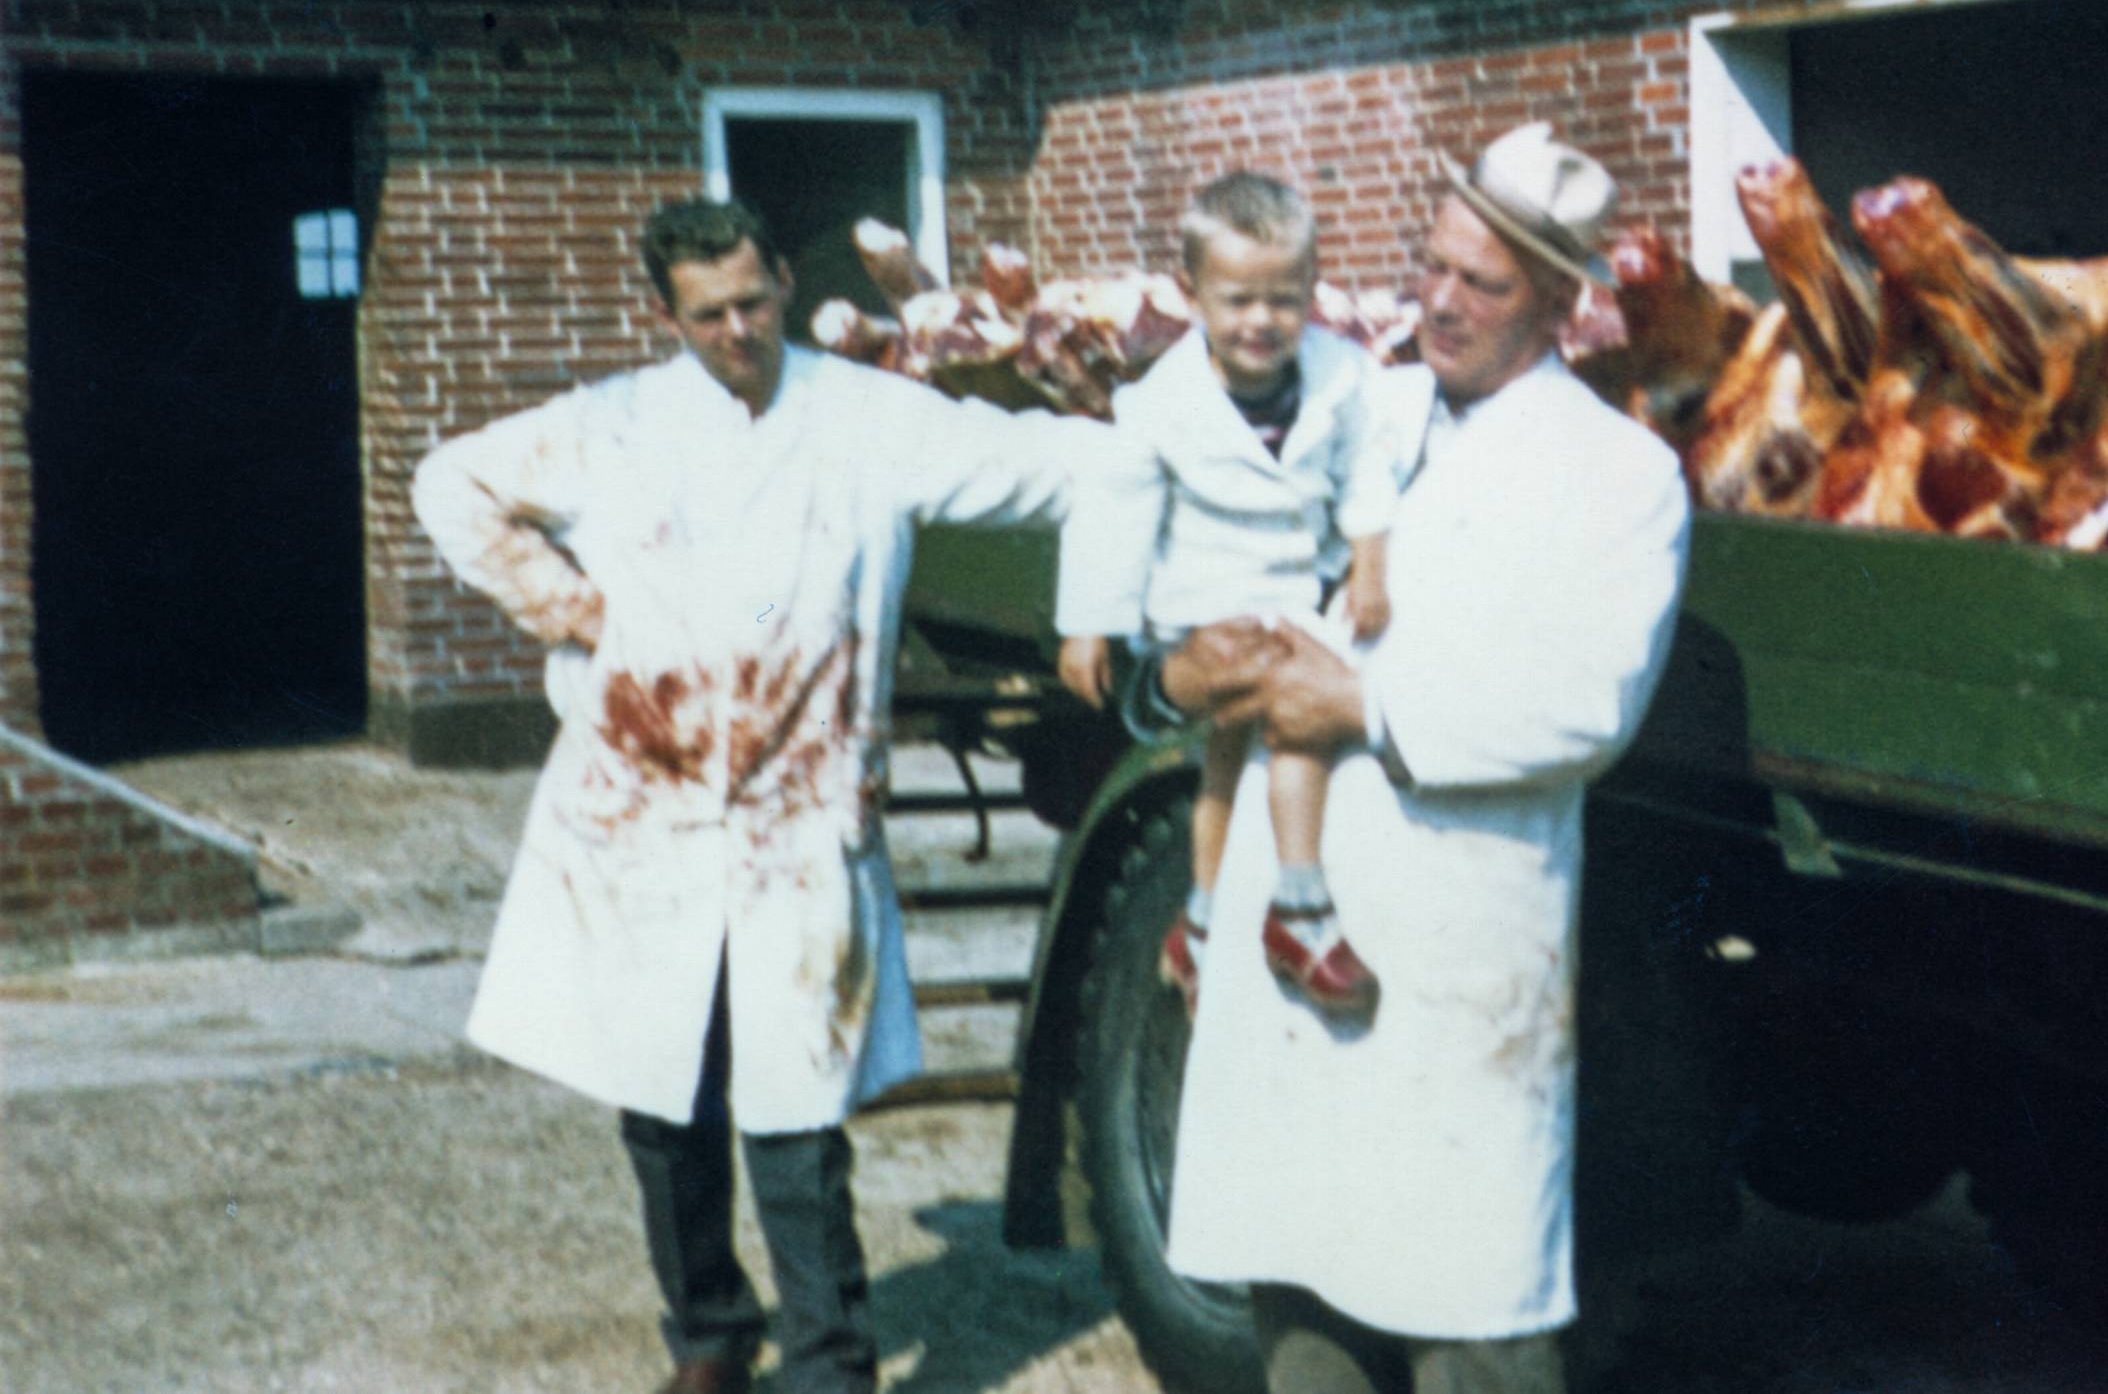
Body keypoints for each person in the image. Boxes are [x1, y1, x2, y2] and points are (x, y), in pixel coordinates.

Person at [412, 198, 1107, 1394]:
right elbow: (449, 483)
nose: (737, 330)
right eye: (707, 315)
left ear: (784, 280)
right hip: (642, 808)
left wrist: (1102, 577)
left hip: (801, 814)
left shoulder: (870, 417)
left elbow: (1060, 471)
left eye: (751, 301)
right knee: (661, 1094)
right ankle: (709, 1336)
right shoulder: (613, 425)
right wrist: (576, 611)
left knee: (798, 1102)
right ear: (666, 315)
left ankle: (830, 1362)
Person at [1150, 124, 1693, 1394]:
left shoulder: (1620, 474)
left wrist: (1364, 702)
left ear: (1558, 305)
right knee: (1301, 1271)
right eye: (1432, 265)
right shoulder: (1356, 407)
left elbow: (1589, 703)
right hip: (1299, 904)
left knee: (1470, 1305)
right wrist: (1182, 662)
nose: (1440, 302)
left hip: (1457, 934)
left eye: (1482, 284)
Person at [1055, 173, 1400, 1017]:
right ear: (1192, 295)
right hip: (1206, 599)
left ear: (1313, 290)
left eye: (1284, 300)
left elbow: (1369, 470)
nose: (1261, 321)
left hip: (1298, 587)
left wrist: (1369, 566)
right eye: (1238, 300)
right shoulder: (1162, 403)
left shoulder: (1342, 376)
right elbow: (1115, 510)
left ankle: (1202, 923)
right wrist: (1090, 625)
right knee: (1296, 719)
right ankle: (1300, 907)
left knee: (1231, 761)